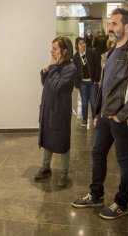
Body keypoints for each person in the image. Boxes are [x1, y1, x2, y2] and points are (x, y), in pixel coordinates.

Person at [72, 8, 128, 219]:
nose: (109, 28)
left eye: (114, 24)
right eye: (109, 24)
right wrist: (98, 113)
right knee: (98, 154)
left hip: (122, 119)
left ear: (127, 27)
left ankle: (121, 203)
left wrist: (121, 115)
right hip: (106, 117)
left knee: (124, 161)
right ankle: (96, 195)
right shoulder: (113, 50)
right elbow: (104, 87)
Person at [36, 36, 77, 187]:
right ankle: (46, 167)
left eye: (55, 49)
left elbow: (58, 86)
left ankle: (64, 172)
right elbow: (46, 83)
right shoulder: (56, 65)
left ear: (64, 51)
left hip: (60, 111)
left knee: (62, 141)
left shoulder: (70, 69)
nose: (51, 51)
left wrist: (52, 68)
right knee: (47, 137)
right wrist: (44, 71)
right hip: (48, 108)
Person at [73, 37, 101, 127]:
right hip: (82, 83)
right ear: (77, 46)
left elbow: (98, 66)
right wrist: (77, 84)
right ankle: (84, 119)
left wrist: (97, 79)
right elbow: (74, 71)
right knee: (84, 102)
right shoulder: (75, 57)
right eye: (80, 44)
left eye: (84, 43)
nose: (83, 45)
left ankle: (95, 119)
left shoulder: (92, 53)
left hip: (93, 82)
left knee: (93, 102)